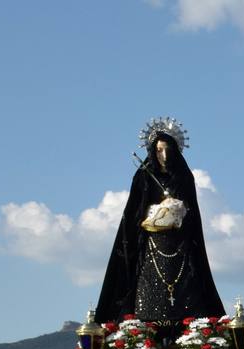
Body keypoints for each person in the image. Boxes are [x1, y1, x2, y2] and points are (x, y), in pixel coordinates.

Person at [95, 118, 223, 326]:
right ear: (153, 151)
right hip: (151, 244)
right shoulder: (144, 176)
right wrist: (155, 214)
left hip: (180, 245)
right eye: (159, 150)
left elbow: (192, 212)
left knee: (189, 294)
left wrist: (179, 210)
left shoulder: (183, 177)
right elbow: (134, 211)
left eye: (167, 150)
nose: (164, 155)